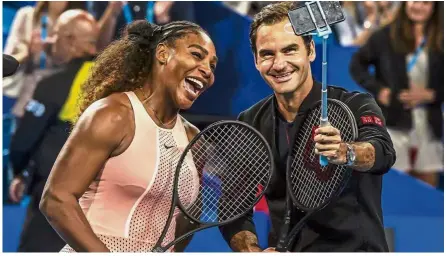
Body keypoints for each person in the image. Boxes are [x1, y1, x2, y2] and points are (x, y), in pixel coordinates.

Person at [219, 2, 396, 252]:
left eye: (290, 50)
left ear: (310, 50)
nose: (279, 64)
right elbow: (233, 206)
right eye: (267, 54)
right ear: (256, 61)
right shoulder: (249, 123)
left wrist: (346, 152)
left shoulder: (356, 104)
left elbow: (382, 153)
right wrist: (252, 251)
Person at [39, 20, 218, 252]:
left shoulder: (194, 141)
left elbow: (184, 225)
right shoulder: (113, 114)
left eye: (213, 66)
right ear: (162, 53)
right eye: (197, 55)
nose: (207, 70)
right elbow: (56, 200)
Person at [8, 9, 99, 252]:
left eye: (55, 35)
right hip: (100, 207)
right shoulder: (113, 82)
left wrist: (19, 173)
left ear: (70, 41)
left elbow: (23, 141)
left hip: (54, 201)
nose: (50, 42)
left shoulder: (53, 83)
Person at [349, 1, 443, 187]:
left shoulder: (440, 39)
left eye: (425, 2)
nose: (418, 6)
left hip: (429, 122)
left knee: (428, 186)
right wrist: (379, 90)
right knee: (396, 183)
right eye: (414, 1)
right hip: (394, 120)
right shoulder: (385, 36)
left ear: (435, 7)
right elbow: (356, 65)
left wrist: (433, 95)